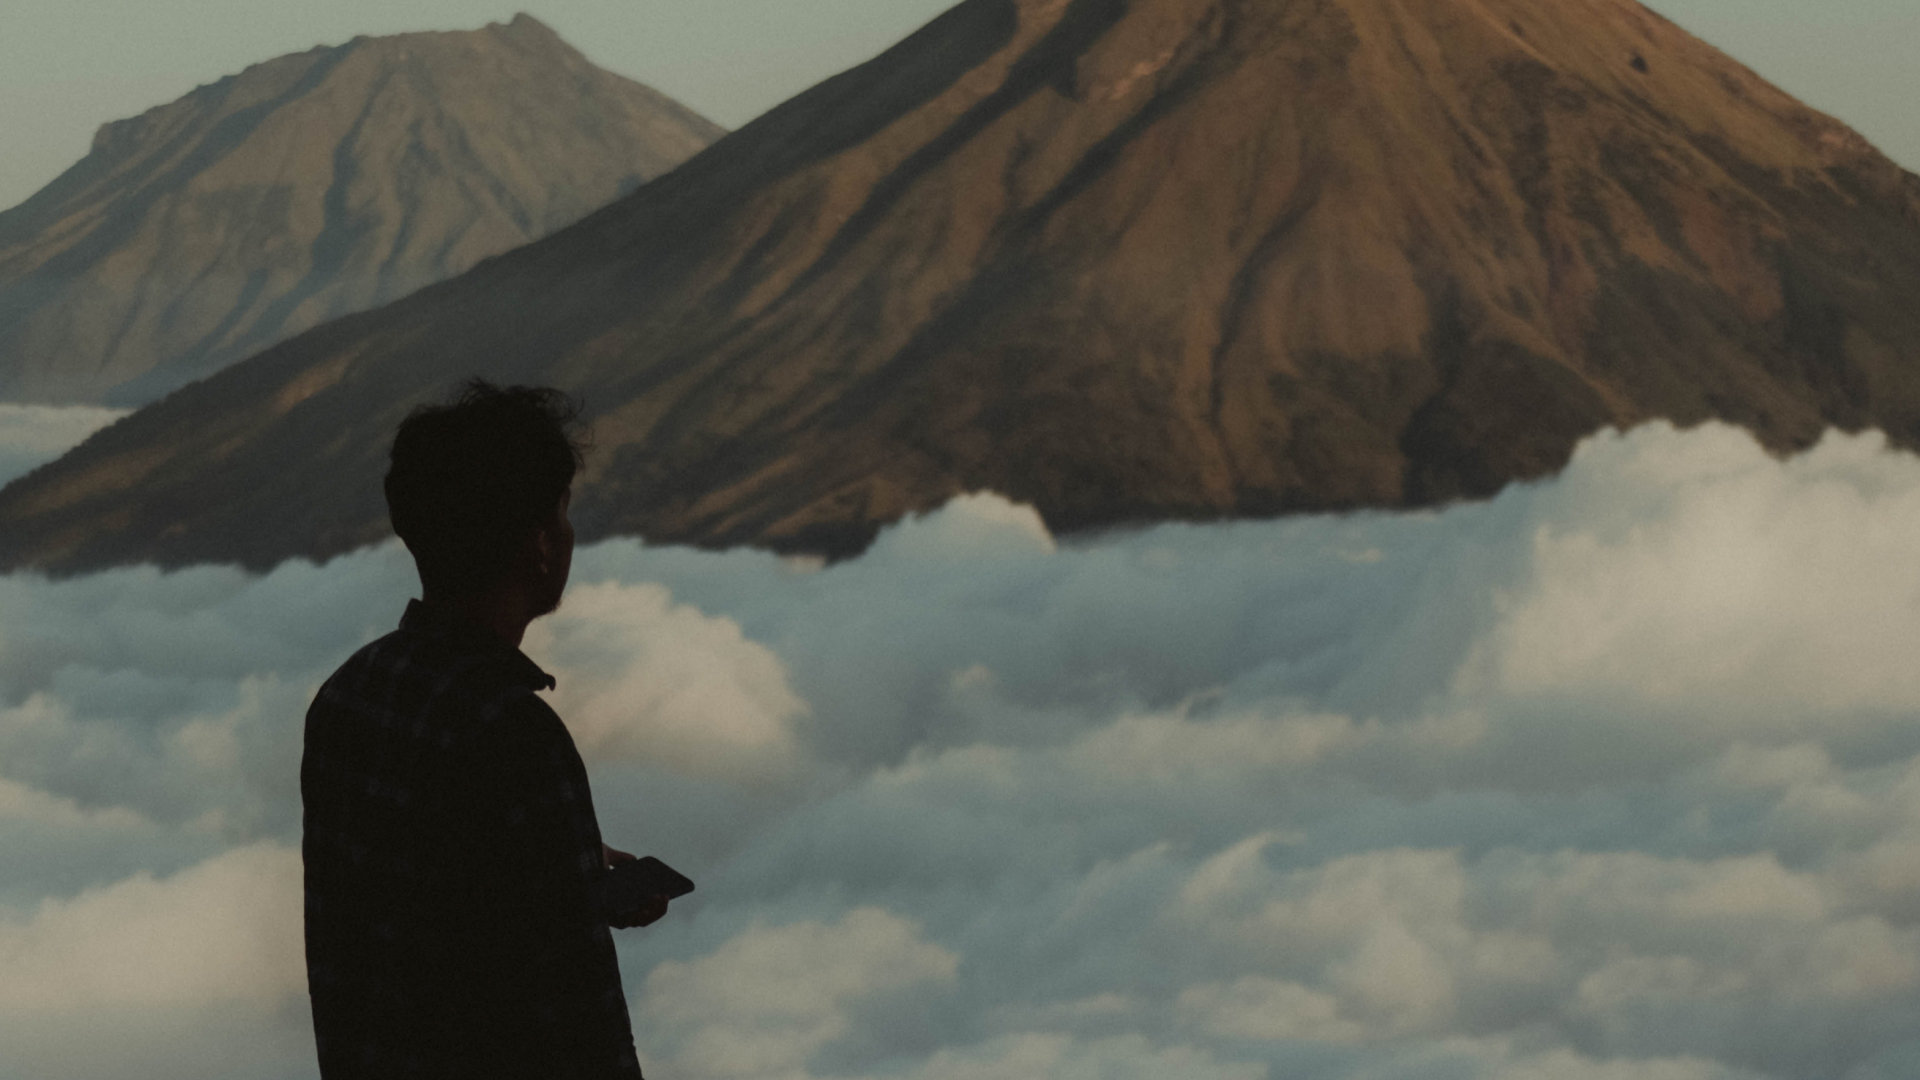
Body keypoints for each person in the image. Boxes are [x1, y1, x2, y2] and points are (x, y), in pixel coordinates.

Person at [301, 380, 665, 1079]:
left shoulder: (350, 695)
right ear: (537, 544)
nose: (567, 534)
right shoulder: (513, 733)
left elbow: (406, 903)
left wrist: (569, 867)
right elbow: (578, 1021)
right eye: (561, 514)